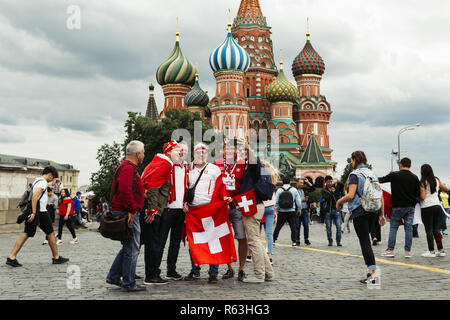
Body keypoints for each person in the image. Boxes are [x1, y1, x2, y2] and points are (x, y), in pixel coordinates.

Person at [183, 143, 230, 283]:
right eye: (198, 153)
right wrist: (184, 203)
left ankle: (213, 273)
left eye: (204, 153)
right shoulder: (188, 170)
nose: (201, 155)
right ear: (194, 154)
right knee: (194, 242)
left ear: (207, 154)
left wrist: (224, 198)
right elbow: (183, 189)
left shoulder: (214, 169)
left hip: (210, 210)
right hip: (194, 211)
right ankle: (195, 270)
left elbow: (221, 187)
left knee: (213, 241)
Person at [336, 151, 385, 284]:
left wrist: (339, 201)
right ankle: (372, 274)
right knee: (367, 242)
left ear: (355, 160)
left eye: (352, 160)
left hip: (360, 211)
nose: (351, 163)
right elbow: (380, 195)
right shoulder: (372, 174)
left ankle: (373, 275)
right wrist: (381, 214)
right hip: (373, 210)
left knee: (365, 243)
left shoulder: (354, 175)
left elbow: (351, 195)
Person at [6, 166, 69, 267]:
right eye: (52, 178)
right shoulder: (43, 182)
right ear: (50, 174)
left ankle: (12, 257)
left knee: (27, 233)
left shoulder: (36, 180)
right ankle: (56, 257)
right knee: (50, 233)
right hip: (40, 212)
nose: (52, 180)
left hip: (36, 211)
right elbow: (35, 196)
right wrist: (34, 213)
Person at [106, 140, 146, 292]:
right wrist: (132, 209)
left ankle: (114, 276)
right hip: (127, 212)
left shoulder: (127, 167)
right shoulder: (128, 168)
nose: (143, 155)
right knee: (132, 248)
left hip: (126, 210)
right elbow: (125, 190)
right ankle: (128, 283)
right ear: (137, 154)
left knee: (127, 247)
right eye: (143, 153)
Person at [140, 140, 181, 285]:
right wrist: (152, 211)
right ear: (169, 151)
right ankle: (151, 275)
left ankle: (150, 273)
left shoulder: (158, 162)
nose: (180, 153)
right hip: (154, 210)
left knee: (148, 242)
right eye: (177, 150)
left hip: (152, 207)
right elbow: (152, 187)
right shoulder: (164, 164)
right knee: (153, 243)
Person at [238, 143, 275, 283]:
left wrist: (247, 147)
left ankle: (259, 274)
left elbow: (254, 160)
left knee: (253, 241)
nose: (243, 155)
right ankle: (269, 272)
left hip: (253, 207)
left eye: (245, 153)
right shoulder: (259, 168)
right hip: (256, 206)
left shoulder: (254, 166)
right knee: (257, 241)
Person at [213, 139, 247, 281]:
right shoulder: (216, 164)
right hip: (222, 207)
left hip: (237, 206)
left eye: (231, 149)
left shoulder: (242, 164)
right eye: (226, 148)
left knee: (241, 237)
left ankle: (241, 268)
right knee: (225, 238)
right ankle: (229, 268)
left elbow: (247, 184)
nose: (228, 151)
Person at [378, 157, 420, 258]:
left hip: (397, 206)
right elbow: (417, 194)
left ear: (400, 164)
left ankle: (391, 250)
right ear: (410, 165)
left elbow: (381, 180)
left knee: (393, 228)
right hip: (410, 207)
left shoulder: (394, 175)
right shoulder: (415, 177)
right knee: (409, 229)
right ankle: (407, 252)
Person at [159, 141, 188, 281]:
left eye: (185, 151)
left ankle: (171, 269)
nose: (182, 153)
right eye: (179, 150)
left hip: (180, 209)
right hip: (167, 209)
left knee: (175, 242)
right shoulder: (167, 165)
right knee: (161, 241)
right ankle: (155, 270)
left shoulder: (187, 167)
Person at [419, 164, 449, 257]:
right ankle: (441, 250)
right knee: (436, 229)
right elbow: (446, 189)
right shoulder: (436, 179)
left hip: (427, 207)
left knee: (429, 230)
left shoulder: (423, 182)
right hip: (437, 206)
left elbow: (423, 197)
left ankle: (431, 251)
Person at [273, 176, 302, 247]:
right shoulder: (294, 190)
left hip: (281, 211)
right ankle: (294, 242)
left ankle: (273, 240)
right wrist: (299, 210)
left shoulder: (279, 190)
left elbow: (276, 202)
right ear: (290, 182)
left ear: (282, 182)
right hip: (291, 211)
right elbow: (298, 202)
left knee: (278, 226)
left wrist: (276, 210)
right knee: (293, 227)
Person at [260, 160, 279, 264]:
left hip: (260, 207)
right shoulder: (272, 179)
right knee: (269, 233)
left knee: (255, 233)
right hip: (270, 208)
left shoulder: (260, 179)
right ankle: (269, 255)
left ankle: (249, 254)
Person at [322, 176, 343, 246]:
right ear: (325, 183)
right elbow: (326, 198)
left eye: (331, 181)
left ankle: (338, 241)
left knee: (339, 227)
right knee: (328, 228)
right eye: (328, 182)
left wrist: (337, 182)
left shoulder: (336, 188)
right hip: (328, 211)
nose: (330, 183)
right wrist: (331, 192)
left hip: (336, 210)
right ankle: (330, 241)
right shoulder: (324, 190)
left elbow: (342, 185)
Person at [295, 177, 315, 246]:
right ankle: (297, 240)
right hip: (297, 210)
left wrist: (308, 182)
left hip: (305, 210)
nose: (302, 184)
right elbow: (292, 200)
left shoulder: (305, 189)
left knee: (306, 225)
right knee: (297, 226)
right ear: (297, 183)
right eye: (300, 183)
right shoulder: (294, 190)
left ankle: (306, 239)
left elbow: (313, 188)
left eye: (302, 183)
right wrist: (301, 200)